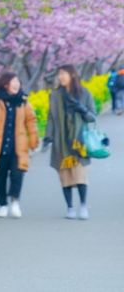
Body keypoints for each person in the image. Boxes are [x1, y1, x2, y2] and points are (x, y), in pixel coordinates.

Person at [0, 73, 39, 218]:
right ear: (5, 84)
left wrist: (33, 139)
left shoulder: (23, 101)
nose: (16, 84)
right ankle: (2, 204)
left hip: (17, 147)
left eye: (17, 82)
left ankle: (14, 202)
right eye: (13, 81)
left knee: (17, 174)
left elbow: (31, 121)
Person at [43, 65, 96, 220]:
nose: (61, 77)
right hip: (61, 142)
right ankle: (70, 208)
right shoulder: (55, 95)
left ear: (72, 75)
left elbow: (92, 116)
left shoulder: (84, 93)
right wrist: (48, 138)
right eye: (59, 74)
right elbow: (51, 118)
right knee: (65, 177)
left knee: (80, 176)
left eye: (63, 73)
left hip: (79, 143)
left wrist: (82, 109)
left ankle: (83, 206)